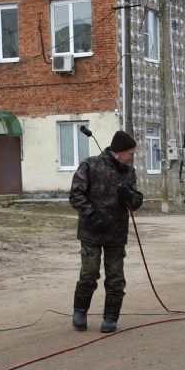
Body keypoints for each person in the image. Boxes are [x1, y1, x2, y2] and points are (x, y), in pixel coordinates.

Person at [69, 129, 143, 333]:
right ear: (119, 151)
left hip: (116, 234)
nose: (132, 156)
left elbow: (136, 203)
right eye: (131, 152)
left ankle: (111, 317)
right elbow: (76, 194)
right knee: (89, 274)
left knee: (116, 278)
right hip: (91, 231)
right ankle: (80, 311)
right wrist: (91, 215)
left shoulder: (129, 172)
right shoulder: (90, 165)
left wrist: (129, 195)